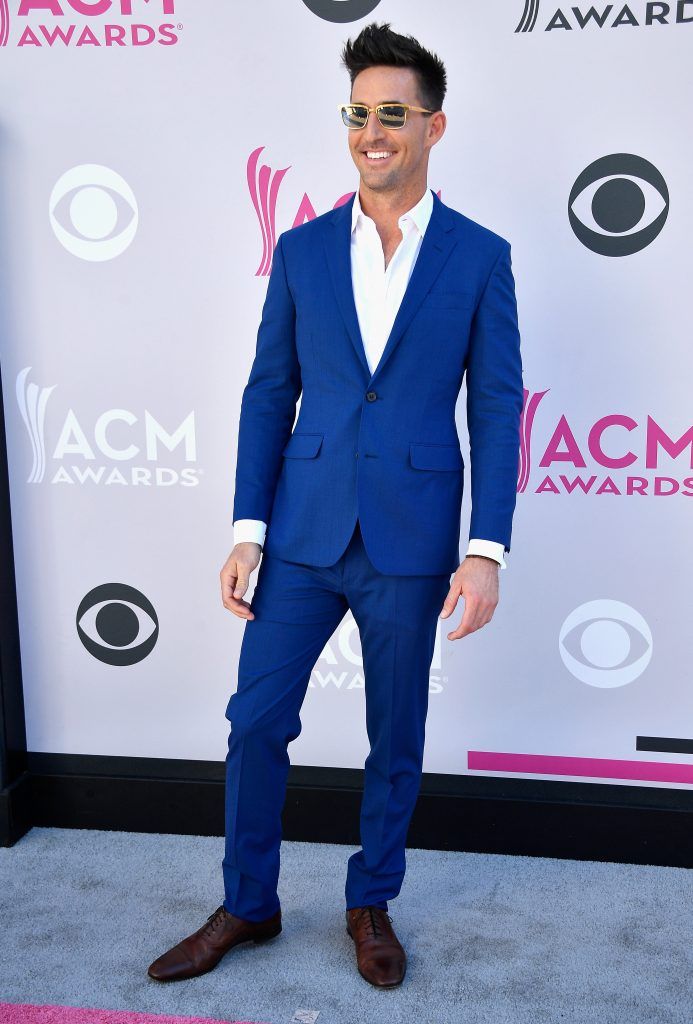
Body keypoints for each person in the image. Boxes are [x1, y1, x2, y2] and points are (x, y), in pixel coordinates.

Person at [148, 20, 523, 990]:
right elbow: (269, 391)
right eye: (358, 113)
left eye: (391, 113)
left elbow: (492, 407)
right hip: (303, 528)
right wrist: (246, 528)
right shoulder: (305, 247)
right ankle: (248, 901)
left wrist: (487, 548)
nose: (371, 130)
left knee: (394, 733)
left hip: (411, 537)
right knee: (255, 719)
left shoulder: (481, 257)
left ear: (433, 126)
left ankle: (371, 899)